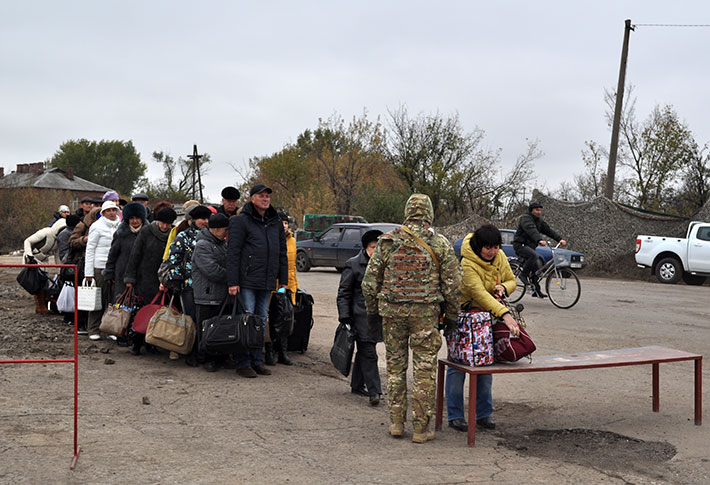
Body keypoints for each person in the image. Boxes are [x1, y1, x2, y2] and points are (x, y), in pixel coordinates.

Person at [362, 194, 462, 443]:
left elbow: (368, 284)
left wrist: (373, 314)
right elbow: (453, 286)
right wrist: (451, 317)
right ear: (428, 214)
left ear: (407, 212)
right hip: (425, 316)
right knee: (424, 372)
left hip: (392, 315)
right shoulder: (439, 243)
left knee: (395, 369)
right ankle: (420, 429)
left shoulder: (386, 242)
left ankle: (396, 423)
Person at [445, 224, 520, 433]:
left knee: (485, 365)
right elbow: (480, 294)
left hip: (486, 319)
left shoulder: (500, 257)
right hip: (462, 319)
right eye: (488, 247)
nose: (492, 251)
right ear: (479, 246)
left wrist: (504, 287)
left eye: (496, 247)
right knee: (457, 365)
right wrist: (505, 315)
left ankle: (484, 414)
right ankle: (455, 415)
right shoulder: (467, 264)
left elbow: (512, 280)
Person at [227, 184, 288, 378]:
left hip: (267, 280)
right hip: (247, 280)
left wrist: (283, 280)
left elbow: (282, 252)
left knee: (261, 322)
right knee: (246, 320)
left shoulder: (275, 222)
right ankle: (243, 362)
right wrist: (232, 281)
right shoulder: (241, 221)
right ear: (252, 198)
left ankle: (256, 359)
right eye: (261, 196)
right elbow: (233, 253)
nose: (265, 199)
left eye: (267, 196)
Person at [337, 229, 383, 406]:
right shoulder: (353, 264)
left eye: (379, 248)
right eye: (373, 247)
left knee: (365, 351)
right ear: (366, 248)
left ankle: (357, 384)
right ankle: (375, 391)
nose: (376, 251)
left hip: (376, 317)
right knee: (369, 353)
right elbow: (344, 293)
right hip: (359, 317)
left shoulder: (383, 266)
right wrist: (345, 317)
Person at [124, 207, 177, 355]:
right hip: (144, 278)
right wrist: (130, 278)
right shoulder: (146, 231)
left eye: (168, 224)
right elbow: (135, 254)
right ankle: (136, 343)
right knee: (142, 311)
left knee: (158, 312)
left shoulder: (173, 234)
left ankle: (152, 342)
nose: (165, 227)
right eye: (162, 223)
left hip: (163, 279)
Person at [164, 205, 212, 365]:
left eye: (207, 219)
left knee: (205, 320)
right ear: (193, 220)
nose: (205, 222)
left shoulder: (212, 236)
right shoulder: (183, 237)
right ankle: (190, 352)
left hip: (207, 286)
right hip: (188, 284)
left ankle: (204, 352)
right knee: (191, 319)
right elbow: (174, 260)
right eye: (202, 219)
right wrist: (176, 281)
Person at [192, 213, 230, 372]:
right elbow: (212, 270)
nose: (227, 233)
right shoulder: (202, 245)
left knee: (219, 328)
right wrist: (232, 277)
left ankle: (219, 357)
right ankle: (206, 358)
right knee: (206, 329)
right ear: (216, 229)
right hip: (206, 295)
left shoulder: (220, 243)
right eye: (225, 230)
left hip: (219, 294)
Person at [265, 210, 299, 366]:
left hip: (288, 285)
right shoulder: (270, 238)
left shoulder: (292, 240)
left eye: (285, 223)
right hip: (272, 284)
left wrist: (294, 286)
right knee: (270, 318)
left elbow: (292, 267)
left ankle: (283, 352)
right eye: (281, 222)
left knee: (285, 318)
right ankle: (269, 351)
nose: (284, 226)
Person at [512, 200, 566, 298]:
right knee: (534, 255)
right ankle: (523, 275)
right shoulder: (526, 218)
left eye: (540, 210)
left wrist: (560, 239)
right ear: (531, 210)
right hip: (520, 245)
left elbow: (548, 231)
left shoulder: (539, 221)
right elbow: (531, 230)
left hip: (530, 246)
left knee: (537, 270)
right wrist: (539, 239)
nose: (539, 212)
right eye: (537, 210)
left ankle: (536, 291)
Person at [84, 201, 121, 340]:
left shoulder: (121, 226)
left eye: (114, 210)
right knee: (98, 299)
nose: (112, 213)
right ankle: (93, 329)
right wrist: (89, 273)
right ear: (103, 213)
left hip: (116, 267)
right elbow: (90, 249)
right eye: (109, 210)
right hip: (100, 266)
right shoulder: (96, 226)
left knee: (113, 299)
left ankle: (111, 328)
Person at [103, 202, 148, 302]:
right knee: (123, 305)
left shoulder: (148, 233)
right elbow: (112, 254)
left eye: (137, 218)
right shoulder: (120, 234)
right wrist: (109, 273)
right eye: (131, 218)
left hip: (143, 276)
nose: (135, 221)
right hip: (122, 275)